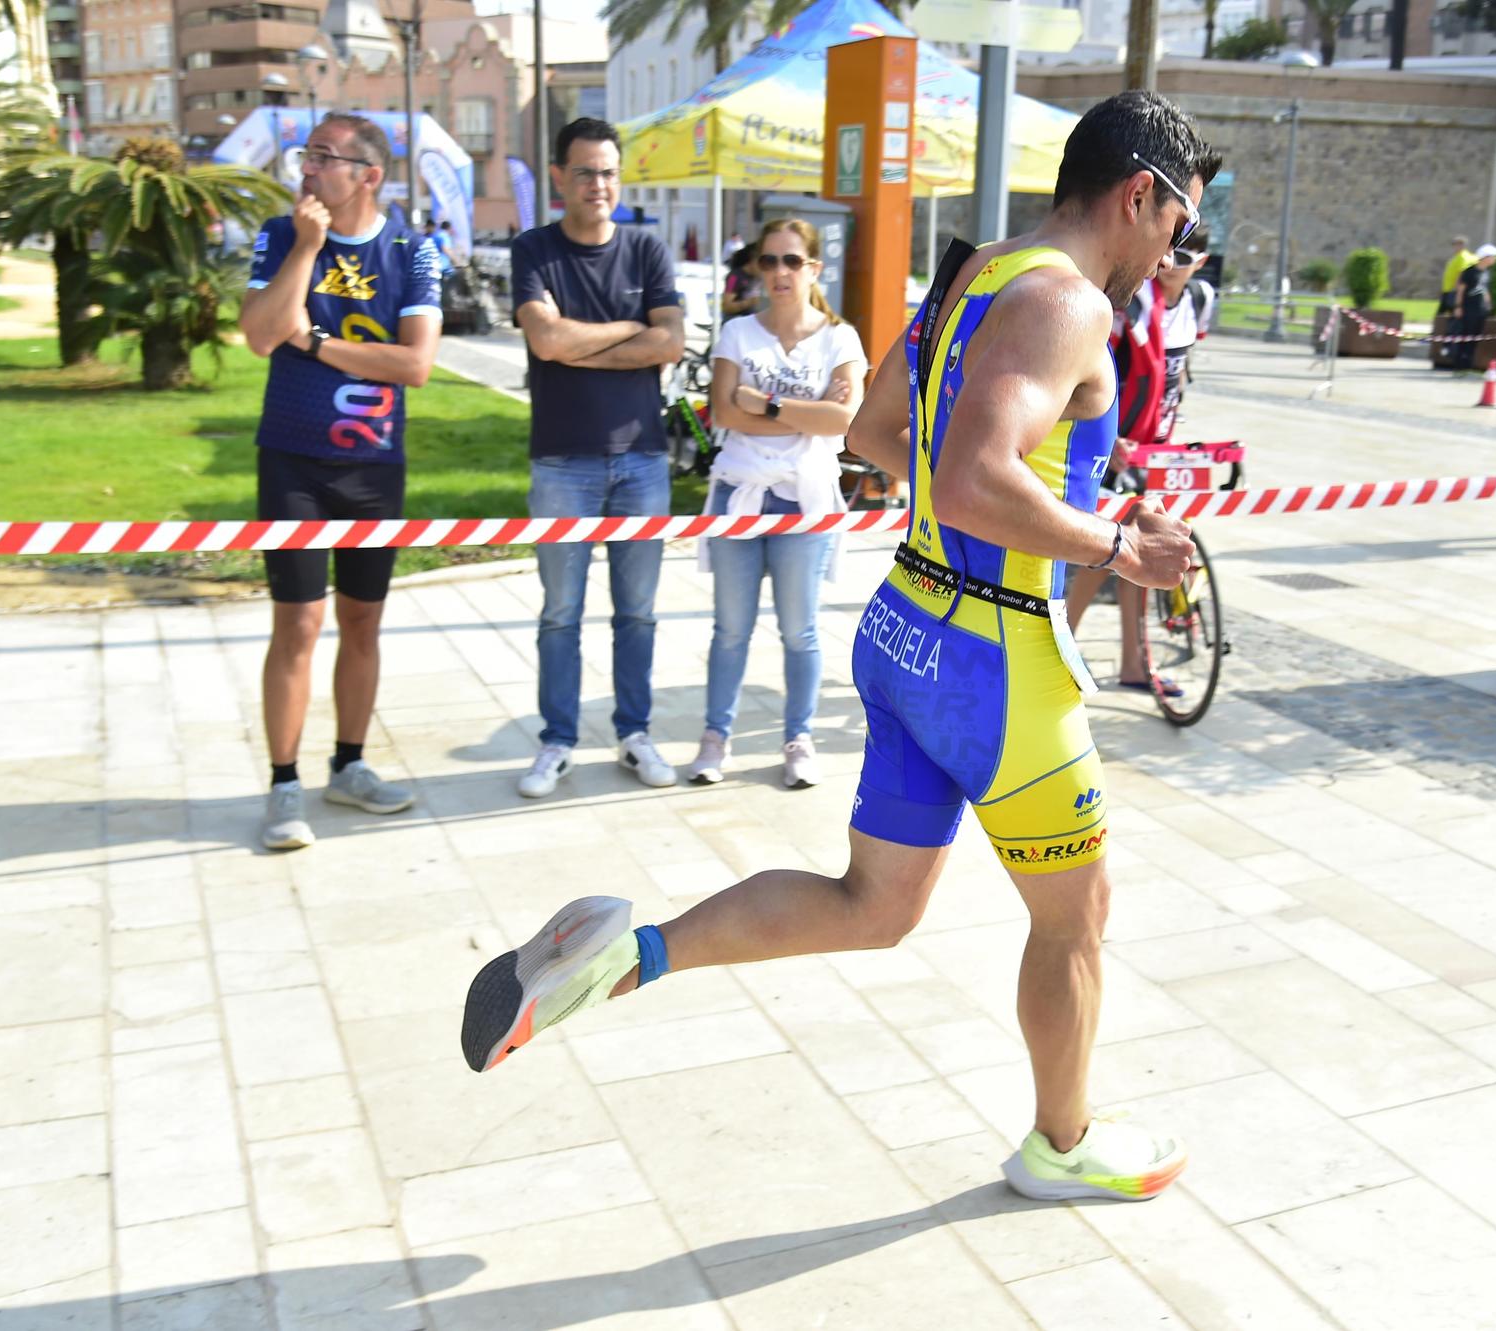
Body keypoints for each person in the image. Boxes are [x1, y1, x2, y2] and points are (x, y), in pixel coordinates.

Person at [461, 90, 1213, 1205]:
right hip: (995, 670)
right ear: (1136, 195)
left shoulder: (981, 274)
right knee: (1075, 914)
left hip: (906, 621)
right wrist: (1107, 538)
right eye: (1180, 229)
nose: (1176, 255)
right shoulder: (1067, 306)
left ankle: (621, 956)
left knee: (874, 904)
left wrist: (1026, 499)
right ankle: (1061, 1143)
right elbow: (972, 475)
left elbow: (873, 433)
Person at [238, 113, 442, 850]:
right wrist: (308, 248)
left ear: (368, 174)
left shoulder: (412, 252)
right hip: (291, 459)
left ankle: (349, 767)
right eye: (308, 153)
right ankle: (284, 783)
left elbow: (415, 365)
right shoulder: (280, 232)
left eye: (327, 157)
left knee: (363, 621)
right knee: (297, 621)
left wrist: (317, 343)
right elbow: (262, 333)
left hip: (373, 464)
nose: (309, 167)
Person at [509, 118, 687, 798]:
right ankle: (557, 740)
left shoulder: (646, 248)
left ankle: (633, 732)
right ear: (559, 177)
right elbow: (546, 341)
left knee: (636, 610)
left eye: (609, 172)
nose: (599, 185)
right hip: (561, 462)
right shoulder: (535, 250)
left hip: (641, 460)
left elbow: (670, 344)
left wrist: (584, 339)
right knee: (561, 611)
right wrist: (631, 329)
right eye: (585, 172)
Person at [689, 218, 866, 790]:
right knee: (730, 630)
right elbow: (723, 413)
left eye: (792, 261)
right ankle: (715, 737)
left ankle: (799, 737)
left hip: (806, 500)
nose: (779, 273)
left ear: (815, 268)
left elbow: (845, 419)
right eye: (768, 262)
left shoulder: (840, 339)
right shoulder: (738, 332)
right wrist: (805, 408)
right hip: (739, 491)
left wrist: (762, 402)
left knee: (800, 631)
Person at [1065, 229, 1215, 694]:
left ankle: (1133, 663)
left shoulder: (1200, 300)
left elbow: (1181, 367)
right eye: (1170, 247)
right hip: (1116, 440)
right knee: (1111, 547)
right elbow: (1097, 362)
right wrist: (1111, 436)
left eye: (1185, 254)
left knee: (1140, 550)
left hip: (1157, 440)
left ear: (1201, 261)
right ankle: (1062, 642)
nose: (1172, 261)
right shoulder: (1135, 299)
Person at [1449, 244, 1496, 370]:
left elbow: (1485, 289)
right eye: (1493, 256)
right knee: (1466, 335)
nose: (1495, 259)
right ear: (1485, 257)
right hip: (1468, 309)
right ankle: (1460, 365)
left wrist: (1488, 304)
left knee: (1476, 337)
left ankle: (1469, 364)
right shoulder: (1469, 272)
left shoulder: (1486, 273)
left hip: (1480, 310)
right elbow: (1460, 290)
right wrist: (1458, 306)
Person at [1437, 234, 1474, 351]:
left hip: (1454, 292)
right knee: (1443, 316)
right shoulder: (1458, 256)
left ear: (1462, 245)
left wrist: (1458, 292)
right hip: (1448, 291)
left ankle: (1447, 343)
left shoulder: (1463, 257)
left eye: (1456, 244)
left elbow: (1461, 275)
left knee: (1452, 319)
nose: (1454, 247)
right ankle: (1440, 339)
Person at [718, 243, 762, 321]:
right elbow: (726, 306)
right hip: (735, 321)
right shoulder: (733, 277)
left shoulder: (758, 277)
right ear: (752, 260)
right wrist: (748, 303)